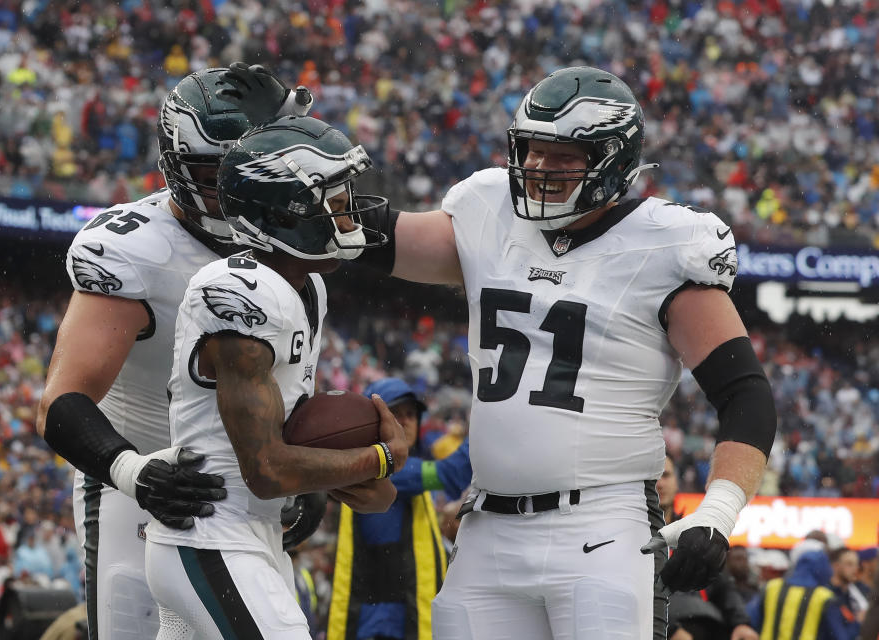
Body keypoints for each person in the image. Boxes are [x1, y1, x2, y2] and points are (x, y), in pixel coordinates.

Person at [352, 65, 777, 639]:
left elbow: (744, 393)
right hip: (487, 531)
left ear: (612, 159)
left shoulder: (668, 244)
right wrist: (305, 196)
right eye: (532, 150)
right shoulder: (488, 210)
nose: (538, 168)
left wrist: (719, 511)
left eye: (563, 156)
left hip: (601, 528)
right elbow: (377, 236)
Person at [36, 63, 314, 640]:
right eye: (211, 171)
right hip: (134, 482)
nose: (225, 187)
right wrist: (133, 470)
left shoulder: (299, 248)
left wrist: (306, 482)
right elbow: (60, 403)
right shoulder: (133, 249)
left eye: (242, 169)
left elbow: (291, 392)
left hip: (243, 496)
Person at [143, 115, 407, 640]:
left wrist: (356, 482)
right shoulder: (238, 289)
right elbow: (265, 467)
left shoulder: (305, 287)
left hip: (254, 533)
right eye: (334, 199)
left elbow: (290, 449)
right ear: (289, 211)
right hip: (212, 535)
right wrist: (380, 458)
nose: (350, 210)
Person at [327, 378, 473, 640]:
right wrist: (490, 418)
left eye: (410, 414)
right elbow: (455, 472)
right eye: (394, 413)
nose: (405, 420)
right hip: (382, 628)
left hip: (398, 622)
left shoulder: (402, 474)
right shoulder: (386, 472)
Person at [657, 455, 757, 640]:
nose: (660, 483)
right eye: (654, 477)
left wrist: (740, 623)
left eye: (666, 475)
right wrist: (669, 629)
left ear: (677, 483)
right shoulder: (629, 538)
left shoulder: (696, 536)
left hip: (705, 626)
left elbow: (723, 586)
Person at [746, 549, 853, 640]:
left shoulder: (772, 587)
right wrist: (856, 625)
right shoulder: (824, 597)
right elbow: (839, 635)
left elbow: (749, 620)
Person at [828, 547, 865, 635]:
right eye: (849, 564)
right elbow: (839, 634)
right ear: (836, 566)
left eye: (856, 564)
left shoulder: (852, 592)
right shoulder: (828, 595)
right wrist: (858, 621)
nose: (855, 569)